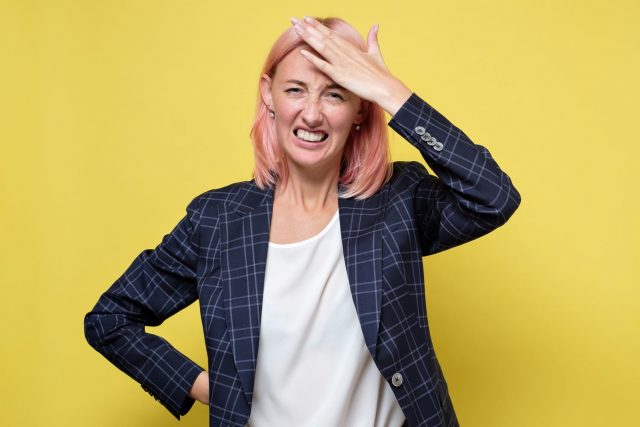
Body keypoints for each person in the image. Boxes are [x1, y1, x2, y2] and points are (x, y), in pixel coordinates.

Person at [84, 16, 520, 427]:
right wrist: (206, 388)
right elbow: (110, 319)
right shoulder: (217, 220)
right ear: (268, 96)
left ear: (360, 111)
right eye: (295, 90)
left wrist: (389, 91)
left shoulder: (397, 200)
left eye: (335, 94)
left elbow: (493, 197)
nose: (312, 114)